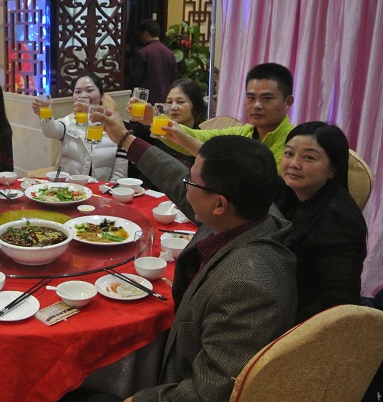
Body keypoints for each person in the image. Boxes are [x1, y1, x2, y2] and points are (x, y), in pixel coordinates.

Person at [96, 110, 297, 402]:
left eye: (190, 181)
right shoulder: (252, 211)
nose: (184, 186)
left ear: (219, 204)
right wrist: (126, 139)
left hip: (177, 382)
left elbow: (209, 392)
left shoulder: (247, 287)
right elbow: (174, 179)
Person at [276, 121, 367, 324]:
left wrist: (280, 327)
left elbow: (336, 302)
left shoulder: (338, 221)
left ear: (333, 169)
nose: (294, 164)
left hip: (304, 324)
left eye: (309, 157)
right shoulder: (289, 195)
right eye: (289, 153)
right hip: (279, 303)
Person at [160, 62, 295, 172]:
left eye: (267, 98)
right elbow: (198, 136)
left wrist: (188, 140)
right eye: (251, 97)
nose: (257, 105)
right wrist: (156, 122)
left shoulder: (295, 143)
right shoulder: (243, 133)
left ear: (287, 102)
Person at [30, 72, 126, 182]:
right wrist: (43, 113)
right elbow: (51, 131)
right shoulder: (69, 121)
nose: (83, 95)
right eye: (78, 91)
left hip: (100, 189)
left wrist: (107, 190)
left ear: (102, 95)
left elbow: (119, 175)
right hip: (68, 187)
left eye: (89, 90)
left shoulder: (115, 127)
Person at [126, 78, 206, 187]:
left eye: (180, 102)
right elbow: (127, 129)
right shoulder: (156, 132)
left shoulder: (200, 140)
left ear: (195, 106)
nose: (173, 107)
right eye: (169, 102)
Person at [127, 19, 177, 103]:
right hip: (166, 98)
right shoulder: (170, 53)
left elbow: (135, 79)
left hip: (146, 100)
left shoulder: (143, 53)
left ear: (145, 33)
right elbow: (174, 78)